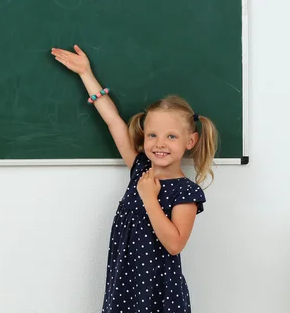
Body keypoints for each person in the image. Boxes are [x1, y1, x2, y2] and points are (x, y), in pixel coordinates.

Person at [51, 45, 218, 313]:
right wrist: (86, 73)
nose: (160, 143)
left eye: (171, 136)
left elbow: (174, 245)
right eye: (152, 135)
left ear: (191, 141)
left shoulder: (186, 193)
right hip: (124, 286)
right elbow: (114, 121)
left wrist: (150, 199)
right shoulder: (140, 167)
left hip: (159, 293)